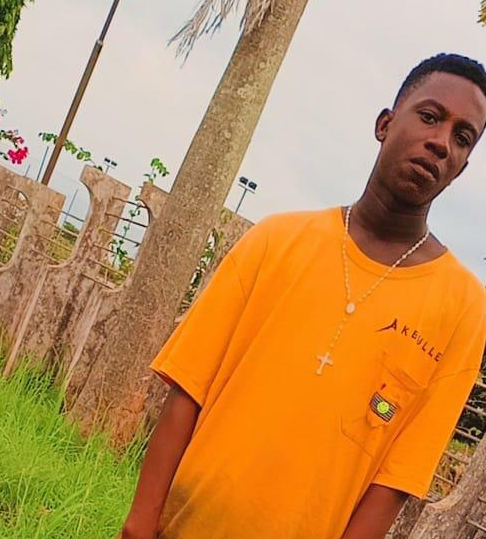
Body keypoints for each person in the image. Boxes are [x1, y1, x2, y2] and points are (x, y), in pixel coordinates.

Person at [119, 54, 486, 539]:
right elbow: (188, 390)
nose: (441, 142)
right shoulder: (277, 241)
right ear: (385, 124)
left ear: (461, 168)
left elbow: (396, 480)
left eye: (463, 138)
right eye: (430, 116)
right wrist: (140, 523)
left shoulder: (463, 309)